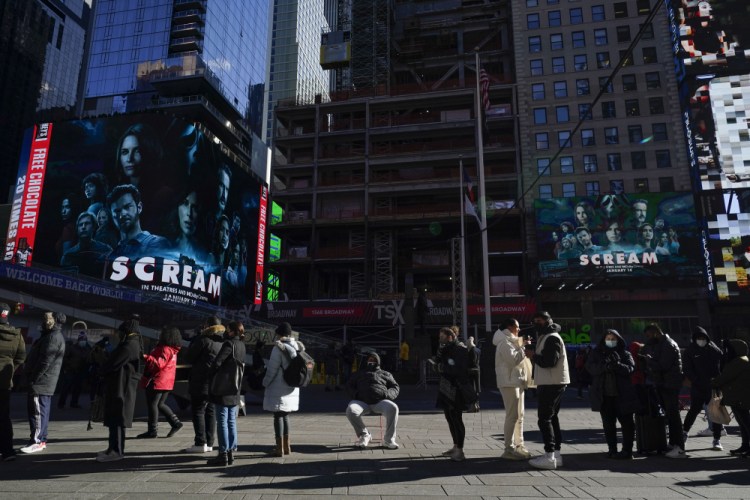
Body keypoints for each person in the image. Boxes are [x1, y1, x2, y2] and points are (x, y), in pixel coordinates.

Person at [585, 329, 640, 460]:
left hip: (623, 395)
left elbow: (630, 369)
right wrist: (605, 366)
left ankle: (627, 450)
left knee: (627, 424)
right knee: (608, 425)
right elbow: (590, 368)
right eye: (608, 338)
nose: (610, 341)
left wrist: (617, 365)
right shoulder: (596, 353)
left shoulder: (625, 353)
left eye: (613, 339)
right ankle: (612, 449)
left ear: (618, 340)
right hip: (604, 395)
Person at [526, 311, 568, 470]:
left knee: (544, 418)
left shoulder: (551, 338)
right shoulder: (547, 336)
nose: (537, 322)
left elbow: (549, 361)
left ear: (548, 321)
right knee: (552, 417)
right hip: (552, 381)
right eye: (535, 320)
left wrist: (533, 356)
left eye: (540, 320)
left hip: (551, 382)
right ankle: (556, 454)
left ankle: (550, 455)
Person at [98, 315, 143, 462]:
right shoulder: (131, 343)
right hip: (119, 385)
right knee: (114, 419)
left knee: (117, 419)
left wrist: (104, 363)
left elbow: (113, 363)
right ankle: (112, 448)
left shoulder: (129, 345)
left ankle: (116, 451)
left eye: (121, 331)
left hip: (121, 387)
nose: (118, 335)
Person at [21, 311, 66, 454]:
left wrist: (34, 377)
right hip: (44, 380)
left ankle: (37, 441)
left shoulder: (52, 337)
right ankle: (41, 439)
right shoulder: (51, 336)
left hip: (42, 381)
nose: (43, 322)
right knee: (41, 411)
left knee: (37, 412)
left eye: (46, 319)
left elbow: (45, 361)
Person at [641, 323, 686, 458]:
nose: (648, 338)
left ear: (655, 333)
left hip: (670, 384)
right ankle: (673, 444)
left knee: (673, 415)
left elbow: (663, 365)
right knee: (671, 415)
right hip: (665, 383)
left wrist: (649, 361)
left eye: (649, 335)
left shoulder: (668, 344)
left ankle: (679, 447)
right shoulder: (662, 344)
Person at [492, 318, 533, 460]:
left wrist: (521, 345)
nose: (519, 330)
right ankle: (508, 448)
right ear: (509, 328)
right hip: (509, 382)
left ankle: (519, 445)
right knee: (512, 416)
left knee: (519, 416)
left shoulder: (511, 341)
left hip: (516, 381)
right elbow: (513, 360)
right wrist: (523, 347)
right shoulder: (504, 342)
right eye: (517, 327)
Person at [434, 326, 476, 461]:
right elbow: (443, 363)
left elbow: (458, 369)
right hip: (446, 387)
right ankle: (455, 445)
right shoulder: (446, 349)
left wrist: (442, 367)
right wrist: (438, 362)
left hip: (456, 388)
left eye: (442, 337)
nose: (440, 339)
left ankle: (460, 450)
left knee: (456, 418)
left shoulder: (459, 349)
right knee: (449, 417)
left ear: (450, 337)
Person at [207, 321, 246, 466]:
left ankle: (223, 453)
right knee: (231, 421)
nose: (226, 332)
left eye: (228, 330)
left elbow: (217, 363)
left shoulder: (229, 344)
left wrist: (211, 374)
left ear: (232, 331)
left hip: (224, 389)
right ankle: (230, 452)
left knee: (222, 420)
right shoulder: (242, 345)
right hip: (235, 388)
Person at [183, 316, 224, 453]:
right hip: (214, 382)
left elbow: (189, 357)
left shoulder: (203, 340)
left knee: (198, 411)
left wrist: (196, 339)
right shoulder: (222, 341)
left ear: (207, 326)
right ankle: (210, 443)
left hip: (200, 381)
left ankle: (200, 443)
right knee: (210, 412)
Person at [346, 350, 401, 450]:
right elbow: (349, 386)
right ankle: (365, 435)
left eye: (374, 359)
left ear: (378, 361)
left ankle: (388, 440)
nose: (371, 361)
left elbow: (395, 387)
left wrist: (387, 394)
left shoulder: (386, 374)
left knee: (393, 408)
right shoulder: (359, 373)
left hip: (379, 402)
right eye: (370, 359)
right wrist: (356, 394)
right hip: (361, 402)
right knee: (351, 410)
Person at [262, 322, 302, 457]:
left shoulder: (278, 348)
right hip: (291, 386)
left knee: (278, 415)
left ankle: (279, 448)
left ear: (279, 334)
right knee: (285, 415)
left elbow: (272, 370)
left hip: (279, 386)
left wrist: (265, 382)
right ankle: (287, 447)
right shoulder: (296, 346)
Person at [137, 326, 183, 439]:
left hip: (158, 380)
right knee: (160, 404)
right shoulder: (173, 350)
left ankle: (152, 431)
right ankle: (175, 423)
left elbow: (159, 364)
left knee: (153, 405)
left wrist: (146, 357)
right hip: (167, 382)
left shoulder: (165, 348)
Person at [682, 326, 724, 450]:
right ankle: (684, 433)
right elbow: (687, 369)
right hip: (698, 386)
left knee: (716, 413)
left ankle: (717, 439)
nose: (701, 340)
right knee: (693, 411)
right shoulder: (690, 351)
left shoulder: (713, 349)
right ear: (694, 339)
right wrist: (696, 380)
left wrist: (718, 380)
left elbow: (721, 363)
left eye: (703, 338)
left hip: (713, 386)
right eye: (698, 338)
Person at [107, 184, 170, 260]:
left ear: (139, 207)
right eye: (117, 211)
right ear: (112, 216)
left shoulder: (158, 243)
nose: (122, 214)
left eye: (127, 207)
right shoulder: (111, 255)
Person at [711, 339, 750, 458]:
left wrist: (711, 383)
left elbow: (725, 377)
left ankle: (746, 445)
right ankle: (745, 445)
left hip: (740, 397)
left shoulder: (739, 361)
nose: (726, 352)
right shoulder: (741, 360)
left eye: (728, 349)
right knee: (742, 422)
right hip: (738, 396)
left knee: (746, 423)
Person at [0, 303, 25, 461]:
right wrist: (10, 371)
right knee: (3, 416)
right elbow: (21, 358)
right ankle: (7, 450)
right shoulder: (17, 334)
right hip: (4, 381)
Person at [60, 212, 113, 277]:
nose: (83, 227)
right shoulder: (68, 256)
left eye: (87, 224)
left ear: (94, 227)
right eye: (80, 224)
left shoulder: (105, 250)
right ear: (77, 229)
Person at [57, 332, 91, 409]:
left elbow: (89, 358)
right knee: (66, 388)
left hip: (81, 371)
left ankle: (74, 403)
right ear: (78, 340)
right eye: (82, 339)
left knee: (77, 388)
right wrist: (68, 365)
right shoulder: (72, 348)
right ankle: (61, 403)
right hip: (71, 370)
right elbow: (65, 358)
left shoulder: (87, 349)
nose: (83, 341)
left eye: (84, 340)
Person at [55, 195, 78, 260]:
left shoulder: (68, 229)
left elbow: (66, 258)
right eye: (62, 207)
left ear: (73, 208)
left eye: (67, 207)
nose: (63, 211)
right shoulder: (71, 226)